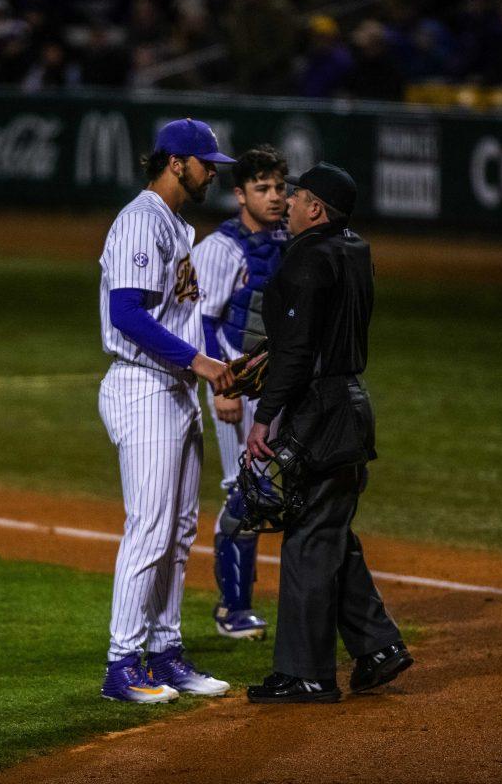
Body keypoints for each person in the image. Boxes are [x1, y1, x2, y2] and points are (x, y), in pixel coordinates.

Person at [242, 162, 412, 704]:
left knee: (310, 541)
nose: (286, 204)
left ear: (315, 209)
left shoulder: (307, 258)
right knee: (330, 526)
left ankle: (308, 674)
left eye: (295, 197)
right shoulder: (354, 251)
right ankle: (377, 645)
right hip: (350, 405)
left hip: (318, 411)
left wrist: (264, 416)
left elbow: (295, 352)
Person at [97, 119, 237, 703]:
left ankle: (165, 650)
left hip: (175, 390)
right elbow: (127, 313)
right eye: (207, 163)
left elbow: (179, 314)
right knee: (150, 529)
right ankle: (122, 663)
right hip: (145, 387)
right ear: (176, 162)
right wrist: (202, 364)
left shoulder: (178, 225)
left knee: (179, 531)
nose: (213, 172)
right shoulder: (140, 221)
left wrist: (209, 362)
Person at [190, 145, 289, 640]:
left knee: (285, 490)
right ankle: (233, 607)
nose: (273, 197)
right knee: (246, 491)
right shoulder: (220, 248)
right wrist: (221, 386)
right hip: (239, 385)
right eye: (262, 188)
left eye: (279, 187)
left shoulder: (292, 239)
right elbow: (201, 320)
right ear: (239, 193)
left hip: (284, 385)